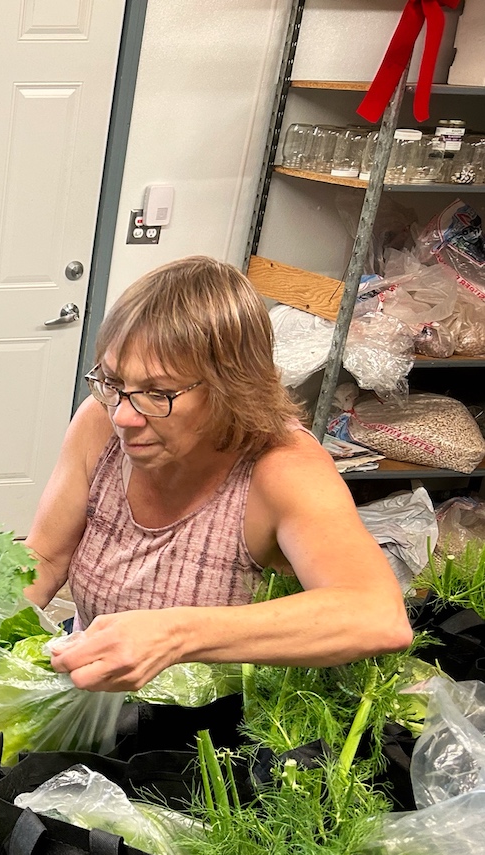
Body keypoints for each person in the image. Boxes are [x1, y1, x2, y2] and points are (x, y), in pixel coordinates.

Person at [23, 256, 411, 692]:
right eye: (113, 382)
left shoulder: (282, 467)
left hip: (209, 722)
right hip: (89, 694)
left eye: (158, 393)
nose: (124, 417)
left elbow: (377, 615)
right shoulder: (100, 420)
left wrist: (175, 636)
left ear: (232, 389)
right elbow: (46, 558)